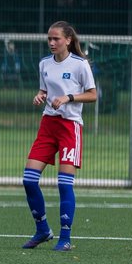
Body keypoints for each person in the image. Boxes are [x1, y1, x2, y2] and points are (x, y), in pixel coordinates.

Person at [21, 21, 97, 252]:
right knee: (29, 179)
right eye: (49, 39)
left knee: (64, 185)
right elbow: (45, 90)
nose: (52, 43)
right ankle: (43, 229)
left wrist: (69, 98)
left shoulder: (80, 64)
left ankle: (65, 238)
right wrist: (40, 96)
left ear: (68, 40)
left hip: (69, 127)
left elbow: (93, 95)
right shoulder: (44, 63)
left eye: (56, 39)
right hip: (48, 125)